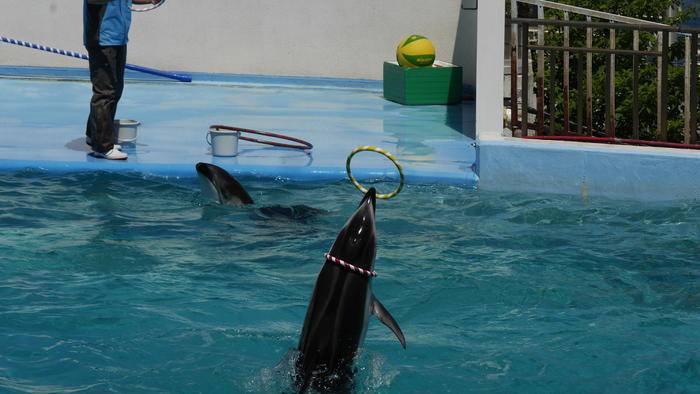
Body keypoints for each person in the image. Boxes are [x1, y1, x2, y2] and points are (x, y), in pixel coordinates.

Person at [83, 0, 159, 160]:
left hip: (118, 37)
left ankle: (94, 135)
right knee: (105, 92)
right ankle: (102, 147)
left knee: (115, 90)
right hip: (103, 38)